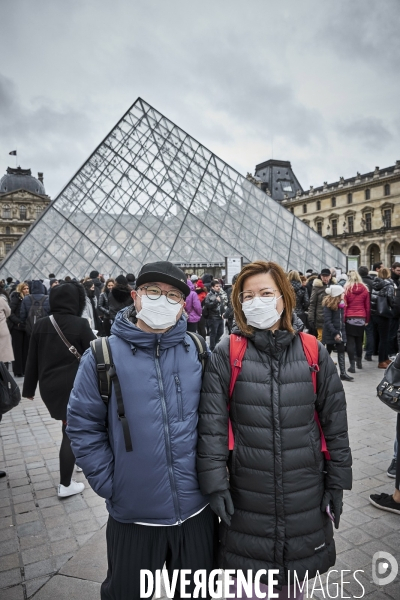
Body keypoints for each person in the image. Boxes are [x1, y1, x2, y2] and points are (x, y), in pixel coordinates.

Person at [197, 260, 352, 599]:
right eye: (247, 295)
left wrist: (337, 484)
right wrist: (215, 484)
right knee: (246, 587)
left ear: (283, 298)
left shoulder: (314, 351)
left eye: (265, 293)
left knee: (293, 588)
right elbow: (211, 425)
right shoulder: (227, 352)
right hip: (247, 494)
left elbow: (335, 424)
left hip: (304, 493)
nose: (256, 301)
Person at [66, 261, 217, 600]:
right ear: (135, 297)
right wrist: (111, 483)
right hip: (134, 517)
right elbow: (82, 425)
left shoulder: (198, 351)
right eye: (153, 292)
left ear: (183, 306)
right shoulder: (101, 356)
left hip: (196, 513)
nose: (163, 300)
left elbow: (216, 422)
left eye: (173, 295)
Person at [22, 281, 96, 497]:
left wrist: (28, 389)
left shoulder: (41, 324)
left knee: (70, 427)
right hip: (74, 387)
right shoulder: (80, 324)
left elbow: (31, 360)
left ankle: (77, 460)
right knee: (70, 433)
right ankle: (65, 485)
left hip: (49, 388)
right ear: (76, 301)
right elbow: (95, 353)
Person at [322, 285, 353, 382]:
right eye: (341, 294)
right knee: (328, 352)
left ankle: (343, 373)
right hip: (331, 333)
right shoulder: (328, 306)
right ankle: (323, 373)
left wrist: (341, 332)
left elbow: (341, 321)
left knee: (341, 350)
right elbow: (327, 321)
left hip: (339, 332)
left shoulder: (341, 305)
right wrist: (335, 333)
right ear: (337, 295)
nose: (343, 295)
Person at [344, 271, 370, 373]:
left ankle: (352, 366)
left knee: (350, 342)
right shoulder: (364, 289)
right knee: (359, 341)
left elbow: (345, 305)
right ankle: (359, 362)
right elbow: (367, 306)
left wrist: (344, 319)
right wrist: (367, 319)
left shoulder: (346, 289)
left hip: (350, 318)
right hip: (361, 317)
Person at [371, 267, 395, 368]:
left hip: (375, 313)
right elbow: (390, 299)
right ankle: (381, 361)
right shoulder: (389, 285)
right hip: (384, 314)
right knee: (384, 338)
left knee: (380, 337)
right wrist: (393, 307)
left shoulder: (374, 284)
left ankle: (385, 358)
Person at [8, 282, 30, 377]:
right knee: (17, 349)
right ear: (20, 290)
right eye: (24, 289)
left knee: (25, 349)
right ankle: (18, 371)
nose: (27, 290)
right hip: (17, 328)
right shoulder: (16, 298)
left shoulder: (28, 299)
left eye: (27, 288)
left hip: (25, 327)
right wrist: (18, 322)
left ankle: (24, 369)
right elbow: (10, 312)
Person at [308, 268, 334, 341]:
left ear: (330, 276)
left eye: (327, 276)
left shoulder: (334, 286)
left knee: (331, 339)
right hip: (321, 317)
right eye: (323, 276)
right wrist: (311, 318)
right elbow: (312, 303)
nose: (325, 278)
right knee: (321, 338)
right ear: (320, 276)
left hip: (332, 316)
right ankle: (319, 352)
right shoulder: (317, 287)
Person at [204, 279, 226, 350]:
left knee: (221, 332)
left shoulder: (220, 293)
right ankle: (212, 348)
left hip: (220, 316)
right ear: (212, 287)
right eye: (217, 286)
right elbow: (207, 305)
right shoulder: (209, 295)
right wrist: (216, 301)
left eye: (219, 286)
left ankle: (215, 344)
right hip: (213, 317)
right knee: (213, 333)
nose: (219, 287)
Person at [358, 266, 374, 361]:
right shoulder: (372, 283)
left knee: (358, 333)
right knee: (369, 332)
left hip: (358, 312)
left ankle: (357, 353)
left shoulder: (357, 284)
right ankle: (369, 353)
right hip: (370, 311)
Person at [0, 293, 14, 366]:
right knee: (4, 353)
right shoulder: (1, 300)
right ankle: (4, 373)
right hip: (2, 328)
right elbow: (8, 312)